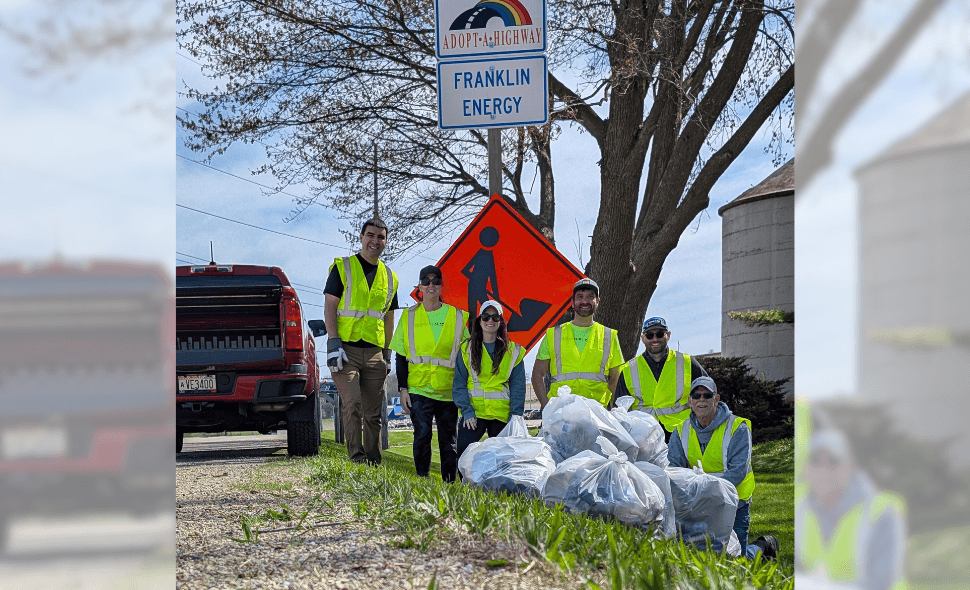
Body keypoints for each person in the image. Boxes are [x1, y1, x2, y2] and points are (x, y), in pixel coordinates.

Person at [669, 376, 775, 560]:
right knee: (702, 557)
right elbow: (674, 469)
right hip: (698, 505)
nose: (701, 400)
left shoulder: (737, 427)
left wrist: (705, 495)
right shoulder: (680, 431)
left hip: (735, 503)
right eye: (697, 396)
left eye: (707, 395)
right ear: (690, 401)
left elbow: (738, 471)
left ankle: (763, 545)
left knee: (736, 560)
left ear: (716, 399)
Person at [323, 218, 399, 466]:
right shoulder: (343, 267)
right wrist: (334, 343)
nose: (375, 241)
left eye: (380, 237)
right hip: (346, 351)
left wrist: (387, 353)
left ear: (385, 241)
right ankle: (357, 458)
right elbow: (330, 306)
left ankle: (374, 462)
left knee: (374, 414)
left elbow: (389, 318)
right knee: (353, 403)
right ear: (361, 237)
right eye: (370, 235)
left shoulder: (390, 277)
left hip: (375, 353)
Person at [796, 429, 907, 590]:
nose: (823, 470)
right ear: (805, 468)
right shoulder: (799, 507)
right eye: (815, 461)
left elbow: (882, 583)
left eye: (833, 461)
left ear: (850, 466)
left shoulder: (881, 512)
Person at [388, 265, 468, 482]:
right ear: (420, 287)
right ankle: (422, 478)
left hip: (447, 390)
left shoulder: (458, 317)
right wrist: (403, 389)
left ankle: (450, 482)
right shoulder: (408, 317)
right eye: (426, 281)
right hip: (418, 388)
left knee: (448, 439)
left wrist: (465, 389)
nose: (431, 285)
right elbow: (401, 356)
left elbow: (466, 358)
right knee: (421, 435)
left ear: (442, 286)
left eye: (435, 281)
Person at [530, 278, 624, 409]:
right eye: (580, 297)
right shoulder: (553, 334)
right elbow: (537, 375)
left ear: (597, 302)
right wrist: (546, 406)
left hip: (596, 413)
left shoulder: (609, 336)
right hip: (561, 412)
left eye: (590, 297)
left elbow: (615, 380)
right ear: (572, 303)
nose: (585, 301)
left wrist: (617, 411)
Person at [453, 300, 526, 461]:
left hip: (502, 415)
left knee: (503, 460)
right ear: (479, 321)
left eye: (495, 317)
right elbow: (459, 383)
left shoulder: (513, 351)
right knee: (464, 455)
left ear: (501, 322)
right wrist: (467, 411)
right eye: (485, 317)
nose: (490, 321)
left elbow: (518, 386)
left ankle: (497, 487)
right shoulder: (466, 349)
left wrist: (516, 415)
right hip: (474, 414)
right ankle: (467, 486)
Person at [616, 316, 708, 437]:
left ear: (668, 335)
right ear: (643, 338)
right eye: (649, 335)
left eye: (659, 334)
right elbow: (620, 409)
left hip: (683, 432)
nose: (655, 339)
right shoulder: (629, 369)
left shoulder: (687, 362)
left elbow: (708, 394)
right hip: (644, 435)